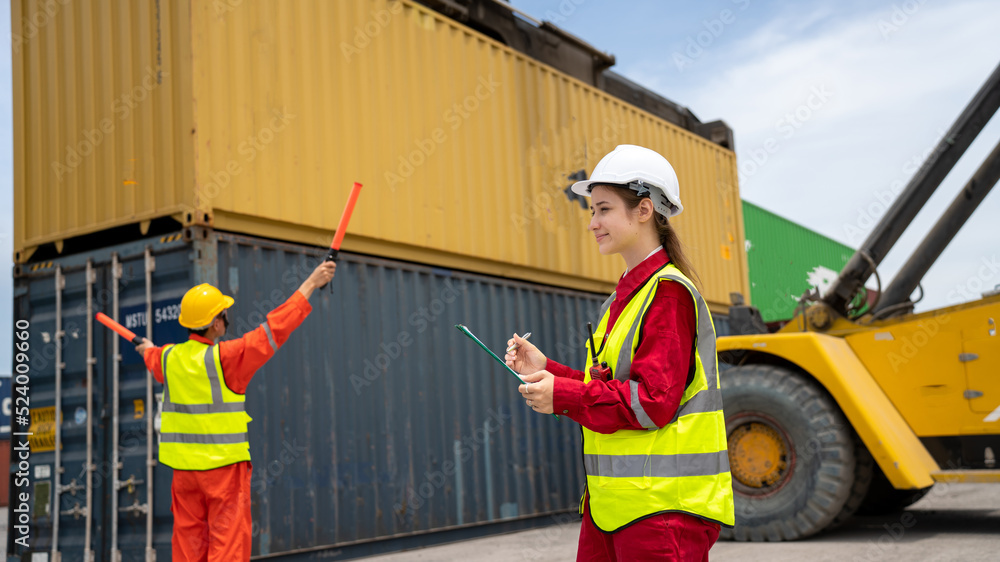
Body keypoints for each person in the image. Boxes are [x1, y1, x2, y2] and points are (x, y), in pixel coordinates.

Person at [505, 145, 734, 561]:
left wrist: (563, 394)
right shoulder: (621, 300)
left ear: (644, 210)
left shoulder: (669, 294)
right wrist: (547, 369)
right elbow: (611, 388)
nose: (592, 223)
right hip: (614, 507)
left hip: (663, 508)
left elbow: (651, 403)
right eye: (592, 211)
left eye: (604, 209)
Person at [134, 260, 337, 561]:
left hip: (185, 475)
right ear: (216, 323)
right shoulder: (227, 358)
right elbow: (273, 330)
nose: (226, 318)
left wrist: (146, 347)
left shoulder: (168, 359)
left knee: (189, 547)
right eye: (223, 314)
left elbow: (151, 355)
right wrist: (310, 284)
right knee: (226, 546)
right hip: (224, 472)